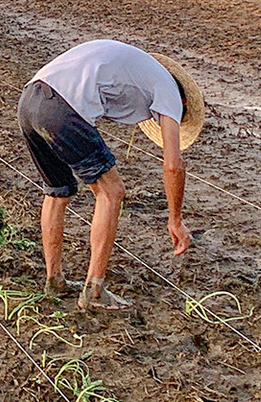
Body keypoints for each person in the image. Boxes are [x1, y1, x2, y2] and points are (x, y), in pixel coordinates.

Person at [17, 40, 203, 311]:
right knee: (111, 192)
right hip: (62, 108)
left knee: (58, 190)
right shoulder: (172, 94)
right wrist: (175, 219)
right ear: (183, 102)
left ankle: (54, 280)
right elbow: (174, 164)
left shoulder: (141, 69)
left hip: (29, 100)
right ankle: (94, 290)